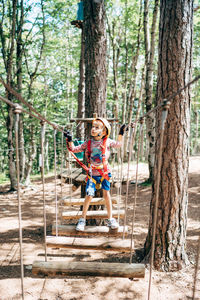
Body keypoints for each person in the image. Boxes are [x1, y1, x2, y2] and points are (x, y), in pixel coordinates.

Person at [64, 117, 126, 232]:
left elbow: (118, 144)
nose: (93, 129)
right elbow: (73, 149)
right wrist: (69, 139)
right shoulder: (88, 143)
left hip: (104, 173)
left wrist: (121, 132)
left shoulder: (107, 141)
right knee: (89, 195)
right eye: (93, 126)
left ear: (104, 131)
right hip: (92, 174)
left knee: (106, 195)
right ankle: (82, 219)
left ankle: (111, 218)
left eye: (97, 127)